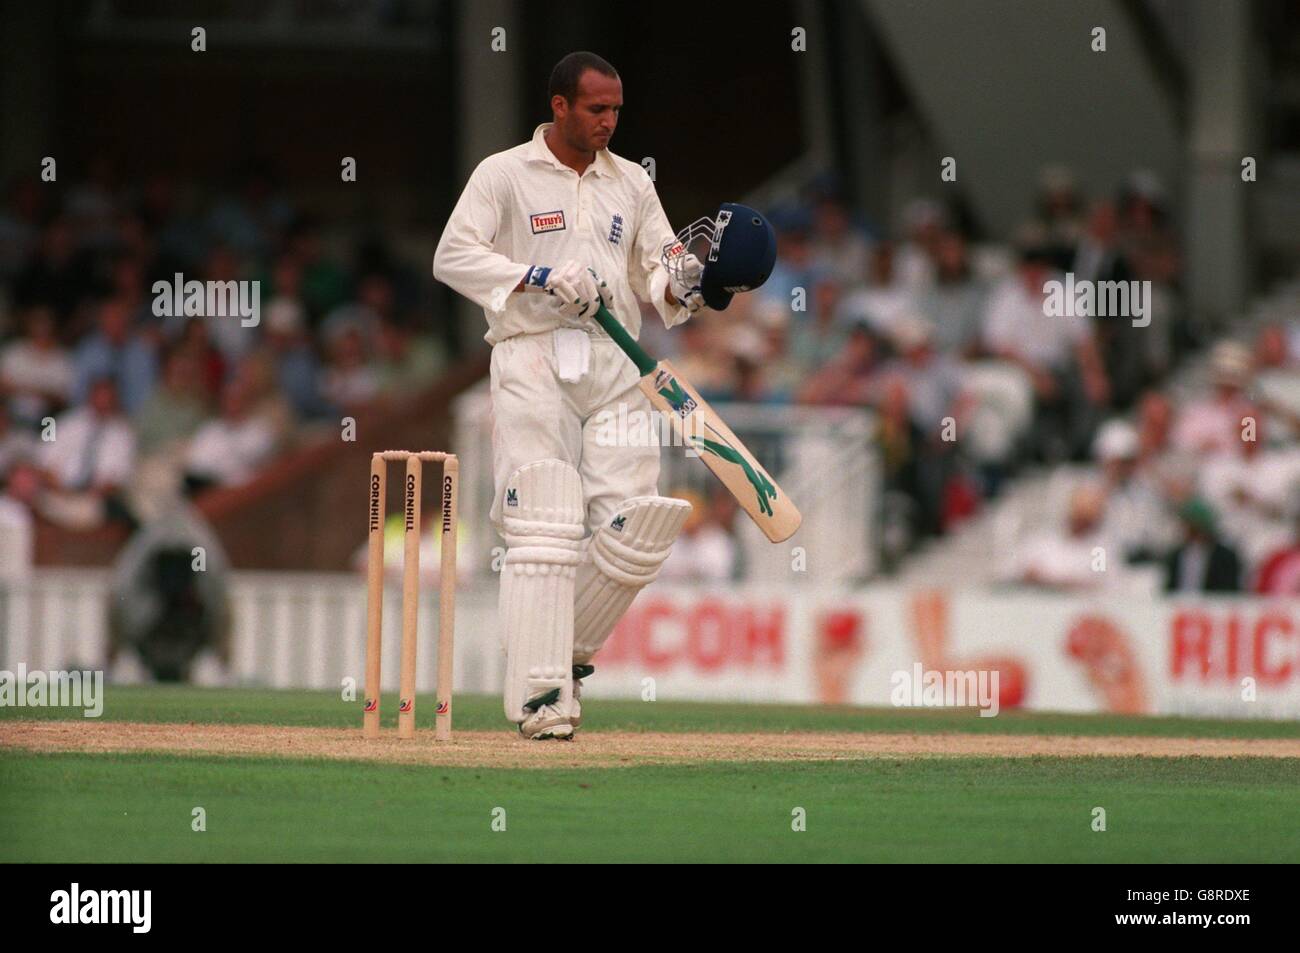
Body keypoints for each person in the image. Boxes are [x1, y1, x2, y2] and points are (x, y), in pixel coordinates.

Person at [433, 52, 758, 740]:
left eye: (616, 110)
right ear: (559, 106)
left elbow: (662, 272)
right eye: (595, 109)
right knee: (545, 518)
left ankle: (556, 655)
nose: (610, 121)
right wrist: (537, 274)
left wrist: (702, 282)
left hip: (617, 359)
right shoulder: (503, 174)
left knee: (638, 525)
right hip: (533, 354)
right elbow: (451, 256)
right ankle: (540, 697)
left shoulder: (634, 182)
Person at [1163, 499, 1242, 594]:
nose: (1184, 529)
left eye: (1189, 525)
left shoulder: (1225, 557)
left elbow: (1228, 592)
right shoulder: (1176, 555)